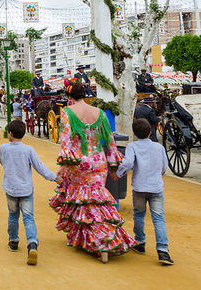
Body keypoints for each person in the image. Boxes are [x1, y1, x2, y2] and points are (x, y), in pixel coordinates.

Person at [49, 79, 136, 263]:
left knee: (80, 201)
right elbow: (110, 140)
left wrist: (64, 164)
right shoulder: (100, 113)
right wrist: (114, 167)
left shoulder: (67, 113)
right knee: (98, 201)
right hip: (98, 162)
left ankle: (97, 242)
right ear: (86, 94)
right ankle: (97, 237)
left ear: (70, 96)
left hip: (78, 163)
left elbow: (66, 140)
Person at [0, 120, 62, 265]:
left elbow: (2, 161)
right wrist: (55, 178)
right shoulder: (28, 150)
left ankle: (13, 241)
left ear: (10, 133)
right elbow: (40, 167)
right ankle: (32, 243)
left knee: (13, 215)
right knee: (28, 218)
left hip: (10, 188)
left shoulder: (3, 148)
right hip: (26, 189)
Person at [112, 118, 173, 265]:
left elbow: (127, 163)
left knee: (139, 215)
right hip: (156, 187)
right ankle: (163, 250)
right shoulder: (159, 148)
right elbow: (164, 167)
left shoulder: (132, 146)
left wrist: (117, 174)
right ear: (150, 132)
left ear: (134, 133)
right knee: (159, 219)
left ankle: (140, 242)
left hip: (139, 187)